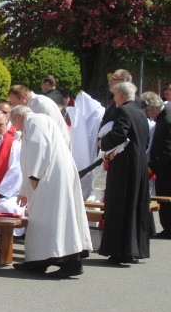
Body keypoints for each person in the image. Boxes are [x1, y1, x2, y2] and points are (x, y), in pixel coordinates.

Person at [10, 106, 92, 277]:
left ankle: (69, 262)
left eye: (14, 124)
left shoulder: (33, 121)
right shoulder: (39, 120)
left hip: (50, 175)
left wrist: (34, 174)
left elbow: (38, 146)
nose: (16, 129)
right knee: (48, 218)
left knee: (57, 218)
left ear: (17, 118)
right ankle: (38, 261)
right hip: (52, 173)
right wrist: (25, 189)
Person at [99, 82, 151, 264]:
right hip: (139, 164)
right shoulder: (140, 113)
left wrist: (102, 143)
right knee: (135, 205)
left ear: (120, 95)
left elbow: (120, 134)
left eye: (114, 96)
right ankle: (133, 250)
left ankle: (119, 251)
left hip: (125, 165)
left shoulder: (124, 111)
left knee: (120, 205)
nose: (114, 100)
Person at [142, 92, 171, 238]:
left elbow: (167, 149)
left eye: (148, 110)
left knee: (165, 197)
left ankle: (169, 229)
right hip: (164, 167)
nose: (148, 114)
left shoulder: (165, 120)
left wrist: (152, 166)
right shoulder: (163, 118)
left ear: (155, 107)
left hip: (166, 169)